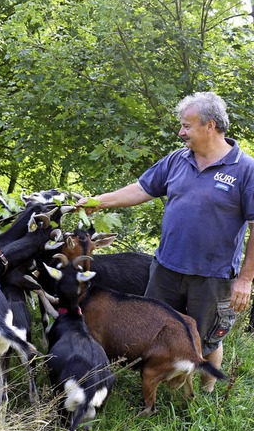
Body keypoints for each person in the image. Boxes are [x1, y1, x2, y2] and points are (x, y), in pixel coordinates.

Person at [78, 91, 254, 392]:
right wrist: (101, 200)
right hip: (166, 269)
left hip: (211, 275)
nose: (180, 132)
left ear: (210, 126)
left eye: (187, 125)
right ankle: (156, 388)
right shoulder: (177, 160)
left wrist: (246, 279)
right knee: (155, 328)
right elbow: (142, 189)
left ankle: (206, 394)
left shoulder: (245, 169)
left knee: (207, 338)